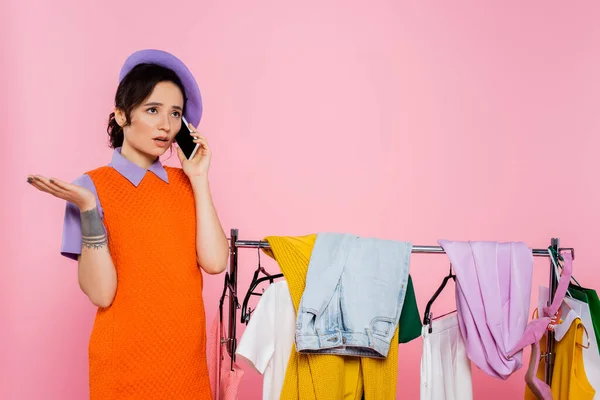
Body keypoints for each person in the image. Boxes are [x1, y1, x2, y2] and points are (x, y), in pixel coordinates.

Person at [27, 49, 228, 399]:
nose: (166, 125)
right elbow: (102, 294)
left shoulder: (186, 184)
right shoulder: (89, 187)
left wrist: (199, 177)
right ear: (121, 115)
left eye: (175, 114)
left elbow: (214, 263)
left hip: (186, 366)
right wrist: (89, 209)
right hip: (123, 367)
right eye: (153, 110)